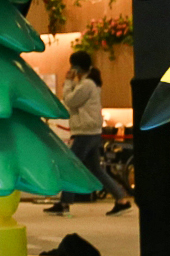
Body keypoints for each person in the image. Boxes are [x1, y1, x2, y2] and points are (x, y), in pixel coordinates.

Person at [47, 50, 133, 217]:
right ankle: (121, 199)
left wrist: (68, 81)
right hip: (92, 132)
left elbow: (70, 101)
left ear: (77, 67)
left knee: (71, 166)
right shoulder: (90, 83)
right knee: (96, 169)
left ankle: (64, 204)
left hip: (85, 133)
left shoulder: (86, 85)